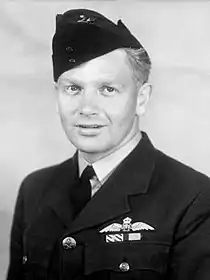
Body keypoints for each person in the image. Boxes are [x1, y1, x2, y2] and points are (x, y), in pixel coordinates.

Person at [6, 8, 210, 280]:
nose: (87, 108)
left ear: (141, 99)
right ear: (57, 97)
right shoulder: (35, 191)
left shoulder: (193, 199)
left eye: (108, 89)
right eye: (73, 89)